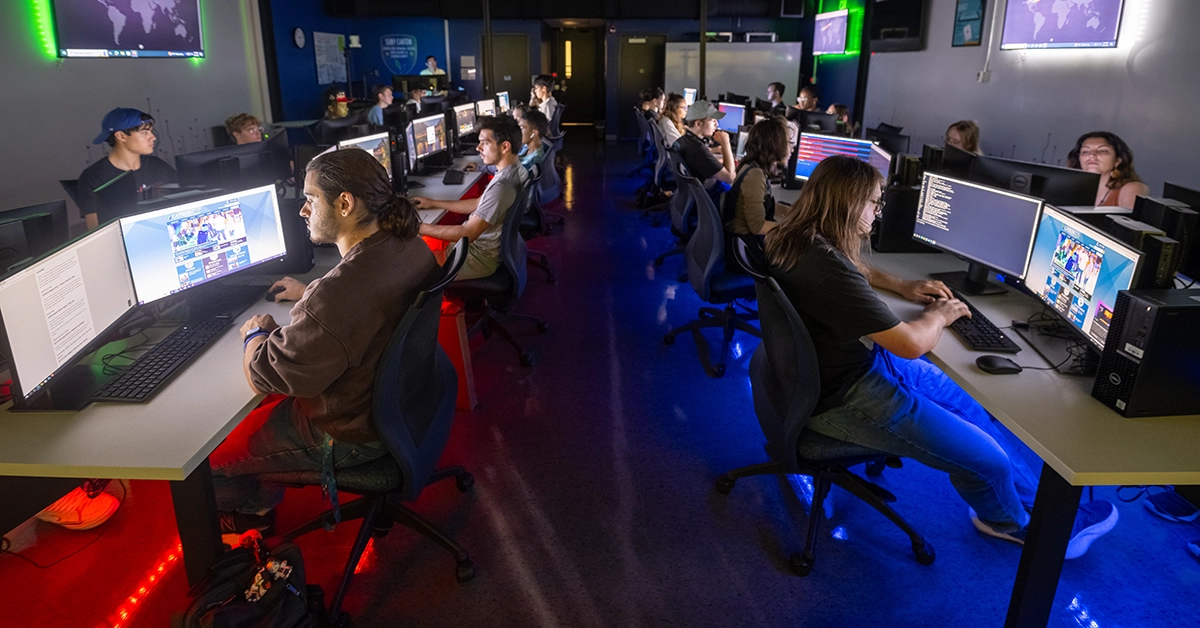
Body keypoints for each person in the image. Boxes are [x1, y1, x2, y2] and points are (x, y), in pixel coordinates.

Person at [762, 154, 1118, 558]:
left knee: (967, 401)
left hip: (838, 374)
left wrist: (902, 285)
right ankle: (1011, 523)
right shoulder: (826, 266)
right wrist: (941, 314)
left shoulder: (796, 236)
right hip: (845, 400)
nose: (878, 213)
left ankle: (1029, 504)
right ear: (848, 203)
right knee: (988, 461)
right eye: (875, 203)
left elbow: (854, 270)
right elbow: (912, 343)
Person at [212, 147, 439, 536]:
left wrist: (255, 332)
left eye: (310, 198)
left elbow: (265, 378)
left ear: (345, 204)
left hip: (350, 432)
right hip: (406, 407)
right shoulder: (407, 244)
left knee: (211, 459)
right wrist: (312, 294)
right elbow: (359, 304)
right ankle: (261, 504)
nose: (302, 210)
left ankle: (248, 517)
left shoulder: (337, 293)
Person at [412, 116, 529, 281]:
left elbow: (467, 233)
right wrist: (432, 202)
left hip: (476, 258)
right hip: (478, 249)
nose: (478, 148)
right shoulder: (516, 170)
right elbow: (478, 204)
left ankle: (446, 306)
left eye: (485, 143)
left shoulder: (502, 186)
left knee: (409, 264)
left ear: (505, 147)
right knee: (425, 241)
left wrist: (418, 227)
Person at [77, 108, 177, 229]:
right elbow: (96, 230)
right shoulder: (93, 177)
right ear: (121, 136)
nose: (153, 137)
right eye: (145, 133)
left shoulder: (157, 165)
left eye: (151, 132)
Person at [725, 116, 792, 241]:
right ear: (775, 145)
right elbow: (758, 226)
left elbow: (758, 204)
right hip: (745, 248)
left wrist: (787, 211)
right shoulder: (755, 176)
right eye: (788, 143)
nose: (792, 149)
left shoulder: (751, 167)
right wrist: (794, 228)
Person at [672, 100, 735, 202]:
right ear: (698, 123)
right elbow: (730, 177)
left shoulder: (685, 140)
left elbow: (704, 164)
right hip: (709, 198)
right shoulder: (698, 149)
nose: (717, 124)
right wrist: (726, 143)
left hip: (691, 195)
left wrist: (721, 162)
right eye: (712, 120)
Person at [1067, 131, 1150, 208]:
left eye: (1102, 151)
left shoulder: (1132, 188)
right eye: (1085, 151)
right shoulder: (1070, 189)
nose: (1092, 155)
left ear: (1117, 160)